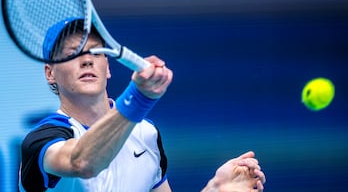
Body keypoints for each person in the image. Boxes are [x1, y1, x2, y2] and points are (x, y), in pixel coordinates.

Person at [19, 18, 266, 192]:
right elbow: (81, 163)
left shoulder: (146, 134)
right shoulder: (43, 141)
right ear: (50, 73)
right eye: (72, 53)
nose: (86, 60)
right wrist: (138, 98)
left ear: (108, 67)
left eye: (96, 52)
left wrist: (215, 188)